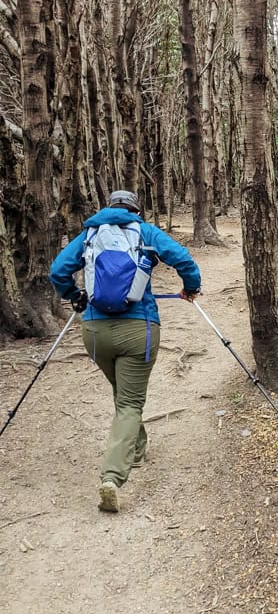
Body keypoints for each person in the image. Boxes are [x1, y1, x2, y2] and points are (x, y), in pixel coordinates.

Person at [49, 190, 201, 513]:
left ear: (109, 209)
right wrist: (191, 287)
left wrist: (74, 294)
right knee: (130, 402)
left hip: (94, 333)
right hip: (139, 330)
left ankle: (137, 447)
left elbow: (58, 270)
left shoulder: (90, 234)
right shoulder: (144, 232)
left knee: (124, 393)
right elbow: (183, 258)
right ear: (135, 210)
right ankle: (112, 478)